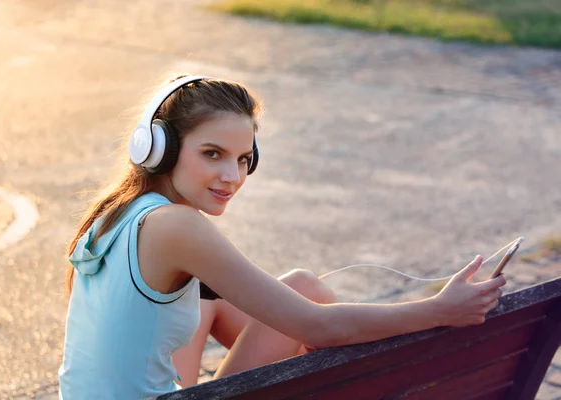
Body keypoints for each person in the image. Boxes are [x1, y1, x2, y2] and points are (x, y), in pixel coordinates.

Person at [59, 75, 506, 399]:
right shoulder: (178, 226)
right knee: (309, 313)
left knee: (292, 290)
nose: (230, 176)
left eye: (243, 159)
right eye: (211, 154)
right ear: (160, 148)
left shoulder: (117, 209)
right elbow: (322, 328)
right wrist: (439, 310)